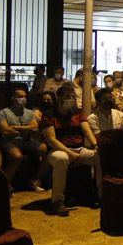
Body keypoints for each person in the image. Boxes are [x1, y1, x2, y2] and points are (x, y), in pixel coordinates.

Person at [40, 84, 102, 216]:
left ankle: (99, 194)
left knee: (99, 156)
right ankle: (57, 201)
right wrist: (71, 154)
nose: (71, 99)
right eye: (68, 97)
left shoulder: (77, 112)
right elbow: (52, 140)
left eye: (73, 96)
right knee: (62, 159)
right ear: (59, 98)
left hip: (79, 148)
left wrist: (95, 144)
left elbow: (86, 130)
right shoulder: (49, 115)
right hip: (58, 150)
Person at [0, 88, 47, 192]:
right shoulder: (4, 112)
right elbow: (5, 130)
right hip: (9, 141)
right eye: (20, 96)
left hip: (27, 140)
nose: (23, 99)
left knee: (47, 150)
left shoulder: (29, 113)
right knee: (17, 156)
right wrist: (26, 128)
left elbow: (34, 128)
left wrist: (15, 127)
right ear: (13, 98)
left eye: (25, 97)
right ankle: (6, 184)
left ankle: (35, 179)